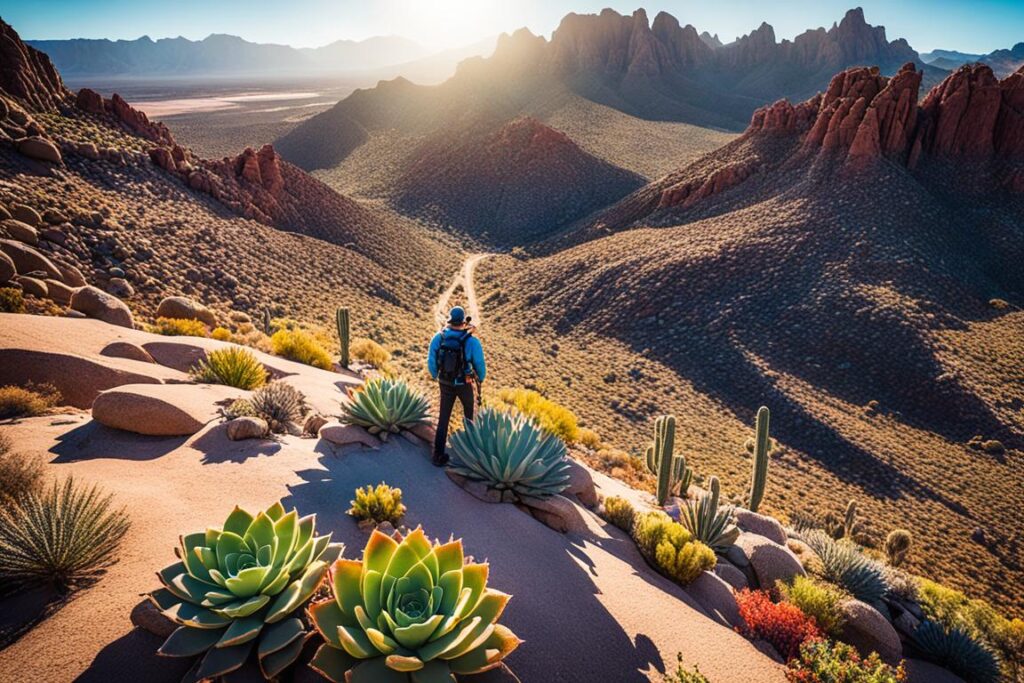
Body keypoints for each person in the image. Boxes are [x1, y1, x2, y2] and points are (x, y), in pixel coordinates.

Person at [427, 306, 486, 466]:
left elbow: (431, 360)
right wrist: (480, 378)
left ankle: (438, 455)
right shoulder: (472, 341)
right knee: (469, 417)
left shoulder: (439, 337)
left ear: (450, 320)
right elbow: (479, 364)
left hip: (445, 382)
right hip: (464, 383)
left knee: (443, 418)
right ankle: (469, 457)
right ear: (463, 322)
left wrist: (435, 375)